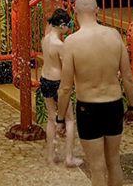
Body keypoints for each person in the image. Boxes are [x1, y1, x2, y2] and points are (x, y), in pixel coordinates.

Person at [56, 0, 133, 186]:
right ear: (97, 11)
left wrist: (60, 119)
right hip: (114, 104)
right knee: (114, 161)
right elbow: (127, 77)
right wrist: (132, 107)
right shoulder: (114, 35)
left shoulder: (72, 42)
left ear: (74, 12)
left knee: (97, 167)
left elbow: (66, 87)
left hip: (89, 108)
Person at [40, 9, 82, 167]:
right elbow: (67, 69)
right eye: (69, 25)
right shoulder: (60, 45)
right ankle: (68, 158)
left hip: (44, 79)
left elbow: (49, 25)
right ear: (63, 25)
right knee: (70, 120)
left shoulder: (46, 38)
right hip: (58, 83)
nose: (69, 28)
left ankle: (50, 157)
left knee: (51, 119)